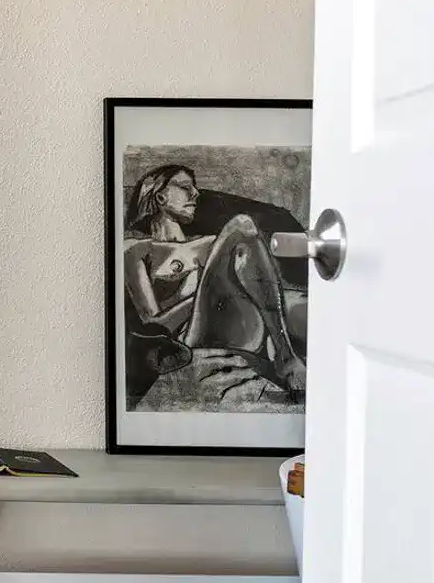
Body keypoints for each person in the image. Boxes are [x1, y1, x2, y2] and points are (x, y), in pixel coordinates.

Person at [122, 164, 306, 404]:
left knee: (302, 305)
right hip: (191, 337)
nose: (196, 194)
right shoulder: (136, 250)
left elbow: (263, 286)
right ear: (160, 196)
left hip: (246, 321)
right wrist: (204, 292)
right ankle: (286, 356)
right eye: (185, 187)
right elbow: (154, 327)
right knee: (241, 226)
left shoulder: (212, 243)